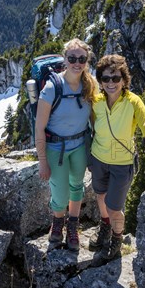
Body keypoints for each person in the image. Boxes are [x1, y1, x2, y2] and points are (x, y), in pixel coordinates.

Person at [89, 54, 145, 260]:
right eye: (105, 78)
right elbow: (90, 127)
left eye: (116, 78)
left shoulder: (133, 102)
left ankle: (117, 238)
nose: (111, 83)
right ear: (100, 81)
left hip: (122, 163)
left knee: (115, 207)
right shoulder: (96, 102)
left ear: (124, 79)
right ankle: (104, 226)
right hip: (98, 158)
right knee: (101, 196)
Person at [35, 39, 96, 251]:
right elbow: (39, 128)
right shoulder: (52, 88)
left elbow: (95, 120)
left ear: (87, 61)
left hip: (79, 145)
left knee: (77, 186)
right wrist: (43, 161)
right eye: (72, 58)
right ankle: (57, 222)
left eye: (82, 59)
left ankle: (72, 225)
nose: (77, 63)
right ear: (65, 59)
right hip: (55, 149)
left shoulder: (90, 85)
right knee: (60, 194)